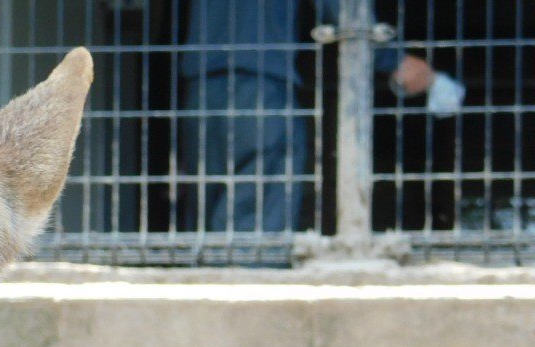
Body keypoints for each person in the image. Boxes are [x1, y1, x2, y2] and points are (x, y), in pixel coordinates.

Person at [178, 0, 441, 233]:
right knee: (259, 226)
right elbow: (347, 11)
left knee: (206, 223)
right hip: (262, 84)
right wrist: (393, 59)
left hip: (199, 87)